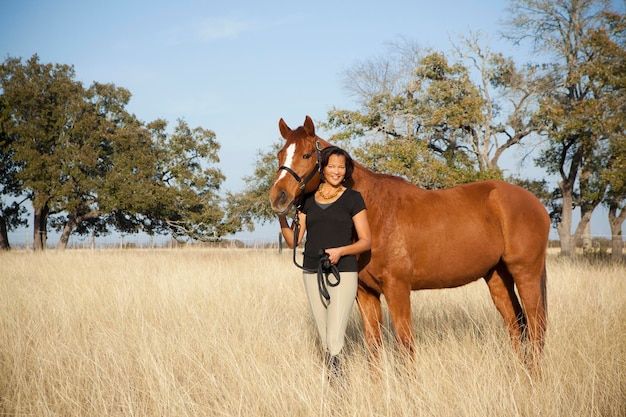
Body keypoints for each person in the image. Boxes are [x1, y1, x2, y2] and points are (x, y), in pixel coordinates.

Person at [278, 146, 371, 379]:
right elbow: (293, 241)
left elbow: (366, 241)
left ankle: (339, 389)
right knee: (324, 334)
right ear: (323, 168)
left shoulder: (353, 198)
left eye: (341, 167)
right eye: (332, 166)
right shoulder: (306, 201)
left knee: (334, 335)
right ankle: (333, 385)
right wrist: (281, 215)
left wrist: (341, 251)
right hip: (311, 272)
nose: (337, 171)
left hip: (343, 271)